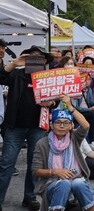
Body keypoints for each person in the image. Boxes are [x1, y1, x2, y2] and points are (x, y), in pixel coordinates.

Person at [0, 45, 54, 210]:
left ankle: (29, 196)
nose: (36, 60)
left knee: (34, 163)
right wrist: (15, 63)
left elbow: (57, 98)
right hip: (14, 127)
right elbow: (1, 77)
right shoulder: (16, 75)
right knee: (7, 163)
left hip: (38, 127)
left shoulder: (49, 78)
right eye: (32, 57)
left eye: (40, 57)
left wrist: (52, 102)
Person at [32, 96, 94, 211]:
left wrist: (70, 106)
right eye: (58, 122)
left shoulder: (74, 137)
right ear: (51, 126)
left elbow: (86, 126)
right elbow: (35, 171)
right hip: (52, 183)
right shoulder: (42, 143)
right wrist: (55, 171)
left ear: (71, 126)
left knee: (78, 183)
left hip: (77, 180)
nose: (62, 126)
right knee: (64, 184)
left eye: (66, 123)